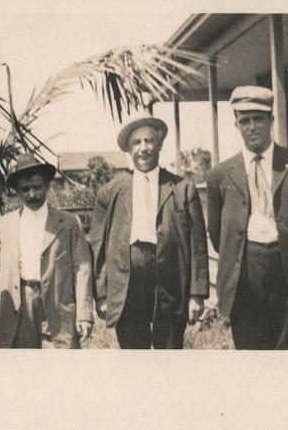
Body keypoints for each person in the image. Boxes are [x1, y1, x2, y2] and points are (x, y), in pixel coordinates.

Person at [206, 85, 288, 350]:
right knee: (252, 357)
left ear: (271, 121)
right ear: (236, 125)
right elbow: (217, 234)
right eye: (245, 120)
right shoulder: (219, 175)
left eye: (259, 119)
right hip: (244, 274)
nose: (252, 126)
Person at [89, 116, 208, 349]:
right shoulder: (110, 192)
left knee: (170, 352)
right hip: (127, 282)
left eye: (149, 141)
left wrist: (197, 293)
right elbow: (97, 246)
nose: (143, 148)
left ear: (160, 144)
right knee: (134, 355)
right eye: (136, 143)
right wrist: (102, 294)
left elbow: (198, 245)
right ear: (128, 149)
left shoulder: (183, 188)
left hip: (170, 281)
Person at [0, 154, 93, 349]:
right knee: (25, 368)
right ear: (17, 192)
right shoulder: (5, 224)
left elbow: (82, 268)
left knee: (60, 369)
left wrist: (84, 314)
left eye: (37, 187)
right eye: (25, 189)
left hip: (57, 305)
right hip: (20, 305)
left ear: (47, 186)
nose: (32, 194)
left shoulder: (69, 223)